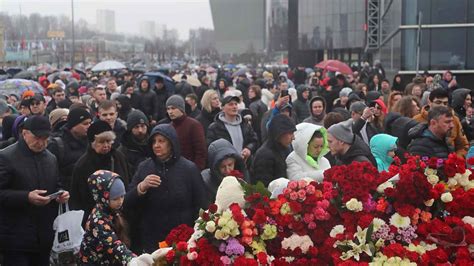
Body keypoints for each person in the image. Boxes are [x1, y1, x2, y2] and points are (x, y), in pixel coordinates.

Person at [124, 124, 208, 253]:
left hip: (182, 237)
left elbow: (201, 204)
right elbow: (127, 201)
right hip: (153, 238)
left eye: (161, 141)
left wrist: (195, 234)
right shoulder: (144, 167)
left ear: (171, 143)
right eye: (154, 141)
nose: (156, 145)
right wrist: (141, 187)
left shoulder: (189, 169)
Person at [0, 115, 70, 266]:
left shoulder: (51, 158)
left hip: (44, 235)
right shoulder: (6, 157)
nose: (41, 143)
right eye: (37, 138)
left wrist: (61, 194)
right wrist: (26, 197)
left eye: (45, 138)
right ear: (24, 133)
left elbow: (56, 184)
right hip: (15, 237)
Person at [70, 120, 130, 226]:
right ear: (93, 143)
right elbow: (77, 197)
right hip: (94, 220)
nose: (106, 145)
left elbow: (127, 181)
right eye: (102, 142)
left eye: (108, 141)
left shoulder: (118, 157)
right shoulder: (83, 165)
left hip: (119, 216)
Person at [79, 170, 136, 265]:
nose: (120, 201)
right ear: (103, 197)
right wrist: (133, 260)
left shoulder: (112, 209)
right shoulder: (98, 221)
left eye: (122, 196)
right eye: (115, 199)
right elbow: (113, 245)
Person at [413, 88, 469, 158]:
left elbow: (463, 145)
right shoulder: (416, 119)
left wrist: (454, 160)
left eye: (445, 103)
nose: (442, 106)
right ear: (429, 102)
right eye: (438, 102)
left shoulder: (454, 120)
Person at [47, 108, 92, 191]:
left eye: (90, 123)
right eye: (85, 124)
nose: (89, 126)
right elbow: (51, 174)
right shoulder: (57, 144)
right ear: (73, 125)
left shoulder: (91, 142)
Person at [207, 95, 258, 162]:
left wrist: (248, 148)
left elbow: (254, 140)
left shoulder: (245, 124)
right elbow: (211, 148)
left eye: (236, 104)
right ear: (222, 108)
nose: (234, 107)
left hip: (245, 163)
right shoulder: (214, 127)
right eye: (230, 104)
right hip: (225, 165)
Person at [252, 114, 296, 186]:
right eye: (291, 133)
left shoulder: (286, 148)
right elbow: (263, 187)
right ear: (280, 133)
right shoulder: (264, 155)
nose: (293, 137)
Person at [166, 95, 207, 170]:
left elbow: (201, 151)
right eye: (168, 109)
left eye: (173, 108)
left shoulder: (194, 125)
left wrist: (196, 170)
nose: (170, 112)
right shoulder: (168, 127)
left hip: (190, 170)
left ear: (181, 109)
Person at [202, 139, 249, 203]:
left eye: (230, 165)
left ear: (235, 162)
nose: (227, 170)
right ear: (215, 167)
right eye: (222, 166)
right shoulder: (207, 182)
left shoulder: (242, 175)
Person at [119, 110, 151, 177]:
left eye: (142, 126)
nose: (140, 130)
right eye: (136, 127)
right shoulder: (123, 150)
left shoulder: (153, 144)